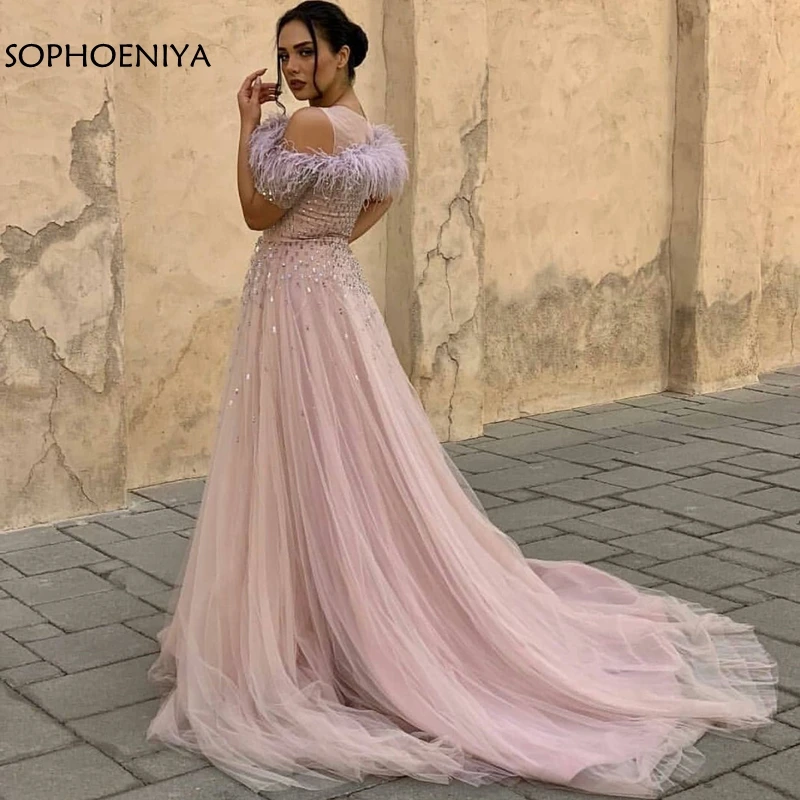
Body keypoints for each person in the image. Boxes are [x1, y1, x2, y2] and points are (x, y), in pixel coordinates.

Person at [145, 2, 778, 797]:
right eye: (284, 55)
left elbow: (253, 214)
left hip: (295, 302)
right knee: (344, 454)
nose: (293, 68)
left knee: (299, 452)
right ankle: (336, 601)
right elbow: (374, 204)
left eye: (306, 52)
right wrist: (322, 241)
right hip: (332, 295)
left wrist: (245, 127)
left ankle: (318, 616)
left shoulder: (304, 128)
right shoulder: (366, 131)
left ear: (342, 53)